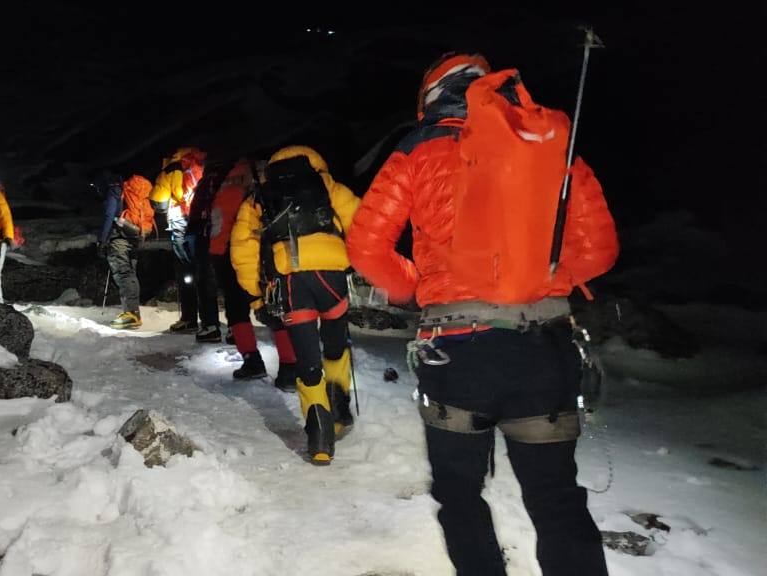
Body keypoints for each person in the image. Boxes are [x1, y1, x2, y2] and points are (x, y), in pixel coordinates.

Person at [346, 52, 616, 575]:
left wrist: (419, 288)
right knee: (557, 498)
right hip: (545, 348)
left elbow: (367, 247)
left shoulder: (417, 149)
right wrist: (546, 279)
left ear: (431, 97)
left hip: (459, 347)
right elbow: (600, 250)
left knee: (460, 495)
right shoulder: (548, 143)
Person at [229, 145, 361, 465]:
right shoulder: (329, 187)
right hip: (331, 278)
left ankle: (320, 437)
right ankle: (340, 410)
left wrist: (256, 293)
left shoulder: (260, 196)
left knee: (307, 359)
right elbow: (363, 223)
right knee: (335, 344)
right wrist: (355, 263)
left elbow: (242, 250)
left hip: (290, 282)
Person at [207, 156, 297, 386]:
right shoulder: (262, 174)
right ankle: (289, 368)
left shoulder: (226, 177)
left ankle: (252, 360)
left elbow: (218, 216)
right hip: (259, 251)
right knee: (276, 305)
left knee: (236, 308)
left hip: (224, 249)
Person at [148, 147, 217, 335]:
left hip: (180, 222)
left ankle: (189, 319)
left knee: (185, 272)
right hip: (202, 223)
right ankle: (209, 321)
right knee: (203, 270)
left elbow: (158, 201)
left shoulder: (172, 169)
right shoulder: (201, 166)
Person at [95, 171, 155, 329]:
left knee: (123, 273)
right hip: (134, 236)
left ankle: (131, 315)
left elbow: (109, 215)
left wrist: (102, 239)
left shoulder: (114, 191)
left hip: (119, 238)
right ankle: (133, 312)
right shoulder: (130, 192)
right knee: (130, 274)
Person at [185, 160, 227, 343]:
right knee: (229, 282)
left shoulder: (208, 181)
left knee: (205, 280)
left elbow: (198, 210)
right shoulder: (233, 177)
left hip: (206, 235)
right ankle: (235, 327)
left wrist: (191, 231)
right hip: (229, 236)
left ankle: (210, 326)